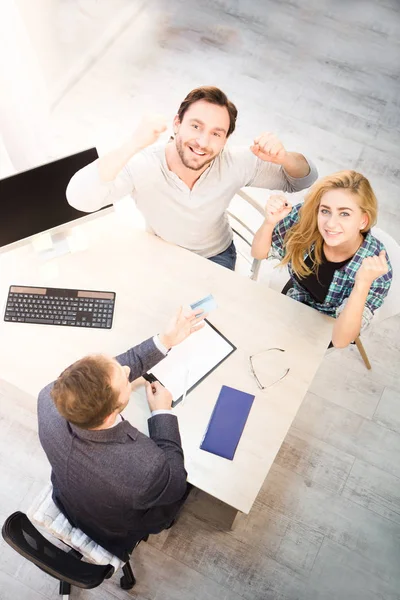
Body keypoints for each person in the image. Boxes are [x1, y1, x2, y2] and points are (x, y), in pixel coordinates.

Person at [66, 86, 318, 271]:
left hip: (215, 256)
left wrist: (284, 157)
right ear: (177, 123)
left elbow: (301, 180)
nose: (203, 142)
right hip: (160, 251)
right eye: (195, 126)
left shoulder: (234, 161)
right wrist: (132, 144)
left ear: (225, 140)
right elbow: (80, 200)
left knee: (208, 326)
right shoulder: (144, 164)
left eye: (216, 133)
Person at [37, 306, 205, 561]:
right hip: (112, 531)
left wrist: (165, 341)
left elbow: (109, 373)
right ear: (110, 414)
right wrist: (162, 413)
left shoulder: (49, 398)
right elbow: (175, 483)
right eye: (125, 381)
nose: (127, 371)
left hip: (66, 496)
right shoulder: (145, 468)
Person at [251, 170, 392, 348]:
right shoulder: (305, 219)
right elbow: (258, 253)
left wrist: (362, 283)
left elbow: (341, 341)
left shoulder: (375, 268)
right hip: (296, 298)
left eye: (344, 214)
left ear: (363, 221)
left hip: (334, 323)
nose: (330, 224)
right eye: (325, 211)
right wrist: (270, 222)